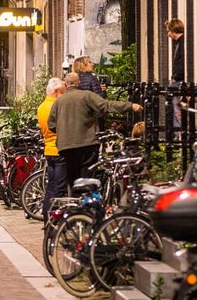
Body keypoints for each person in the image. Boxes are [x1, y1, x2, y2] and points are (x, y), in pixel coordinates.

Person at [48, 72, 142, 188]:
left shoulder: (58, 102)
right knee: (87, 179)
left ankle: (75, 201)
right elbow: (106, 105)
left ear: (66, 85)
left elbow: (51, 125)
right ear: (79, 83)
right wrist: (130, 106)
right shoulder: (86, 96)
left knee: (73, 181)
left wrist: (65, 131)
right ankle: (88, 202)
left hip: (66, 147)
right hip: (86, 144)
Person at [37, 77, 68, 220]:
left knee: (51, 187)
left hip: (48, 149)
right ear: (56, 92)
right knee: (60, 189)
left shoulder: (42, 106)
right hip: (59, 149)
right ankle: (55, 220)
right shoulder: (56, 106)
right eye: (62, 91)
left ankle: (46, 217)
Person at [166, 19, 185, 127]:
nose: (168, 34)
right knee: (175, 109)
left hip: (178, 81)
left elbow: (181, 63)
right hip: (177, 80)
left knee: (176, 109)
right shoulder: (180, 43)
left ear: (173, 31)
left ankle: (178, 134)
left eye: (168, 31)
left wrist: (176, 77)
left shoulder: (181, 44)